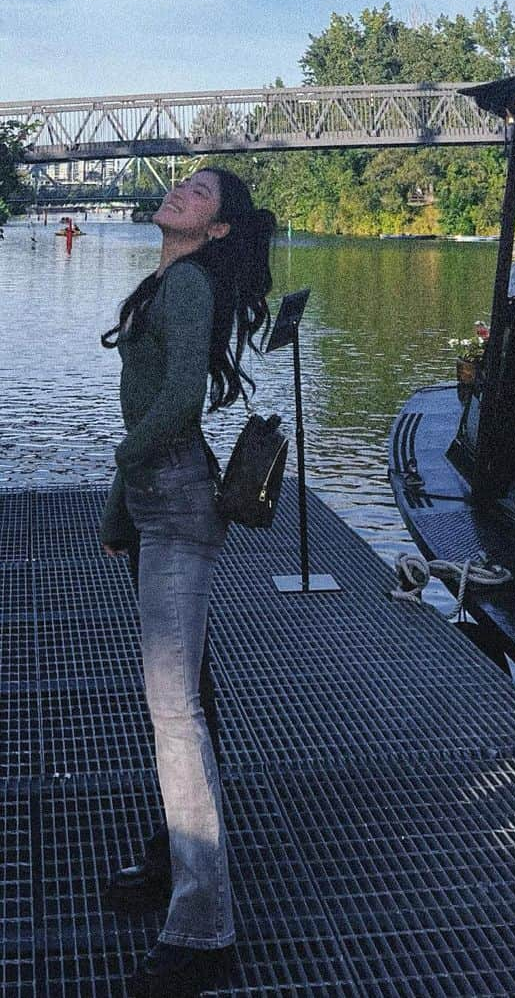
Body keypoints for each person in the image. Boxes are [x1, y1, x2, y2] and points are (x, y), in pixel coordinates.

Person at [98, 168, 275, 997]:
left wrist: (124, 466)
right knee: (188, 693)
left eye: (201, 193)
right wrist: (114, 508)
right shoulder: (165, 279)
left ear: (218, 230)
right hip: (153, 502)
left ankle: (206, 930)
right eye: (183, 183)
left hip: (175, 503)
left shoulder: (192, 280)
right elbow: (146, 406)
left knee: (175, 712)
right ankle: (174, 860)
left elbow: (177, 405)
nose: (180, 191)